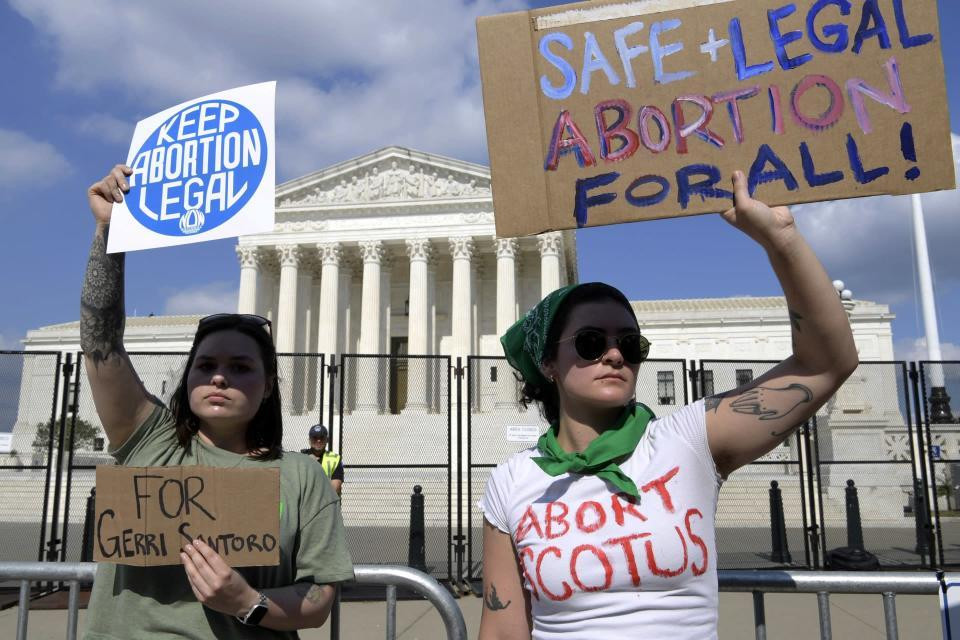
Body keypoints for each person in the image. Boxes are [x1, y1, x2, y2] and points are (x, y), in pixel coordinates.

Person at [477, 171, 859, 640]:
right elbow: (501, 630)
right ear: (549, 364)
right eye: (591, 341)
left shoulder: (687, 442)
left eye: (630, 343)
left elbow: (826, 364)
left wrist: (781, 239)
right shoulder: (513, 483)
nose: (614, 354)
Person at [80, 164, 354, 639]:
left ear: (268, 385)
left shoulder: (301, 474)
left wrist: (247, 601)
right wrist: (109, 234)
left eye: (241, 367)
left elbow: (318, 600)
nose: (220, 377)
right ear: (188, 378)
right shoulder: (151, 443)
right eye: (206, 366)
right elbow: (101, 342)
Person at [301, 425, 344, 496]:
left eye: (321, 437)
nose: (318, 440)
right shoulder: (301, 458)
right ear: (309, 440)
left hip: (327, 505)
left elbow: (335, 489)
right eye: (315, 437)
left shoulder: (334, 459)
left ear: (327, 440)